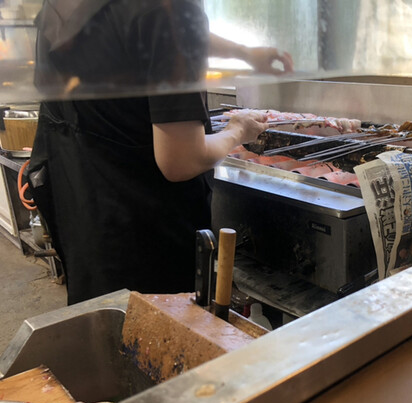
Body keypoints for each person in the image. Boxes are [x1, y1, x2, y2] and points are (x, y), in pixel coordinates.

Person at [28, 0, 293, 304]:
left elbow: (157, 33)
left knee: (107, 323)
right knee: (160, 331)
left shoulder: (64, 5)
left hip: (85, 219)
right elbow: (181, 160)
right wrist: (237, 131)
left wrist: (243, 53)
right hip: (149, 242)